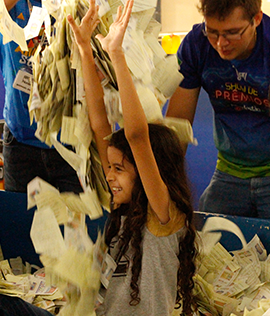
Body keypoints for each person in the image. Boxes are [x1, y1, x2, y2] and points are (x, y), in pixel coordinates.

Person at [0, 1, 198, 315]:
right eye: (112, 167)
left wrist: (117, 54)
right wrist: (84, 49)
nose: (109, 175)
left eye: (119, 169)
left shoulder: (163, 217)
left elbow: (137, 135)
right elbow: (98, 124)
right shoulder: (123, 210)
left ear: (150, 171)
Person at [166, 0, 270, 218]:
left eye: (232, 33)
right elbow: (177, 127)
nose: (221, 43)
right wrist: (165, 189)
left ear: (257, 19)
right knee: (205, 242)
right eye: (212, 31)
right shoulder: (197, 44)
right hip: (229, 170)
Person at [0, 0, 83, 193]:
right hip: (20, 142)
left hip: (71, 143)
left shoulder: (75, 4)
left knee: (76, 222)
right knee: (19, 221)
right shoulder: (10, 6)